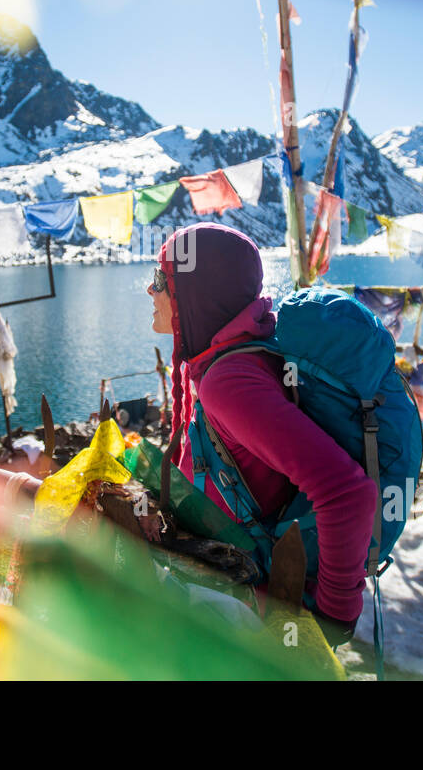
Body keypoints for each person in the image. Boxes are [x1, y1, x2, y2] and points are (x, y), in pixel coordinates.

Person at [147, 222, 378, 641]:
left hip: (256, 616)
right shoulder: (233, 358)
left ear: (198, 294)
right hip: (244, 598)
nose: (151, 290)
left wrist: (333, 622)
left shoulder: (228, 382)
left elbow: (347, 491)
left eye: (162, 279)